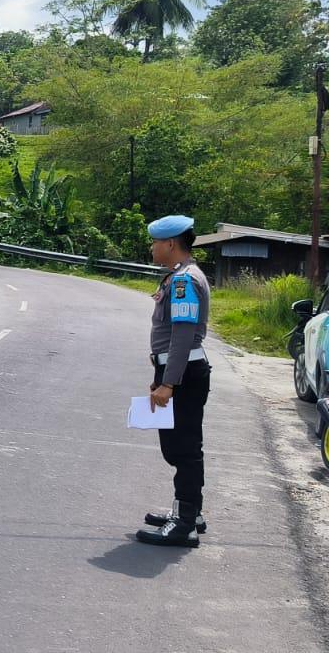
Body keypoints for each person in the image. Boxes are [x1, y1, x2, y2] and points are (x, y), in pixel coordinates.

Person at [136, 214, 211, 548]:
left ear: (170, 244)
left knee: (183, 449)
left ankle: (184, 525)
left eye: (155, 243)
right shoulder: (178, 277)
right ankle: (189, 513)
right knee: (182, 446)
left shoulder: (183, 282)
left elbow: (182, 336)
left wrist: (169, 382)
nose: (152, 248)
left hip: (183, 374)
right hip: (178, 371)